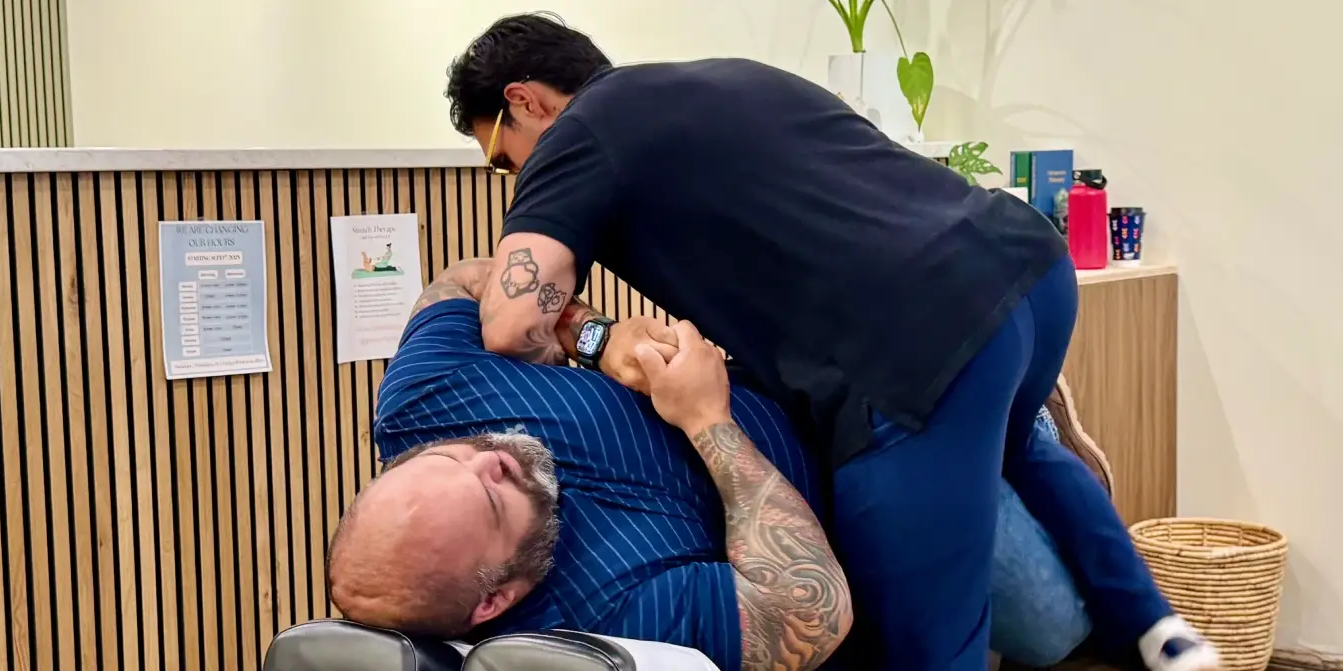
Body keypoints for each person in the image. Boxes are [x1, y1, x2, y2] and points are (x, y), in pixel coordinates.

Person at [442, 13, 1221, 671]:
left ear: (525, 101)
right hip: (1027, 269)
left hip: (914, 346)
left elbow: (509, 322)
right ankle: (1158, 628)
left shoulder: (580, 133)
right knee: (1021, 445)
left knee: (925, 641)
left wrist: (597, 334)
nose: (514, 176)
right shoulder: (725, 77)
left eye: (502, 156)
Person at [326, 259, 1092, 671]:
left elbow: (470, 279)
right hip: (873, 497)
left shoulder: (425, 401)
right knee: (1060, 628)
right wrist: (706, 421)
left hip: (804, 374)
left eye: (453, 457)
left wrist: (595, 336)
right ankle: (1021, 432)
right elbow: (810, 614)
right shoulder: (594, 617)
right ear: (496, 599)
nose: (492, 455)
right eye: (494, 497)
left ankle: (1014, 413)